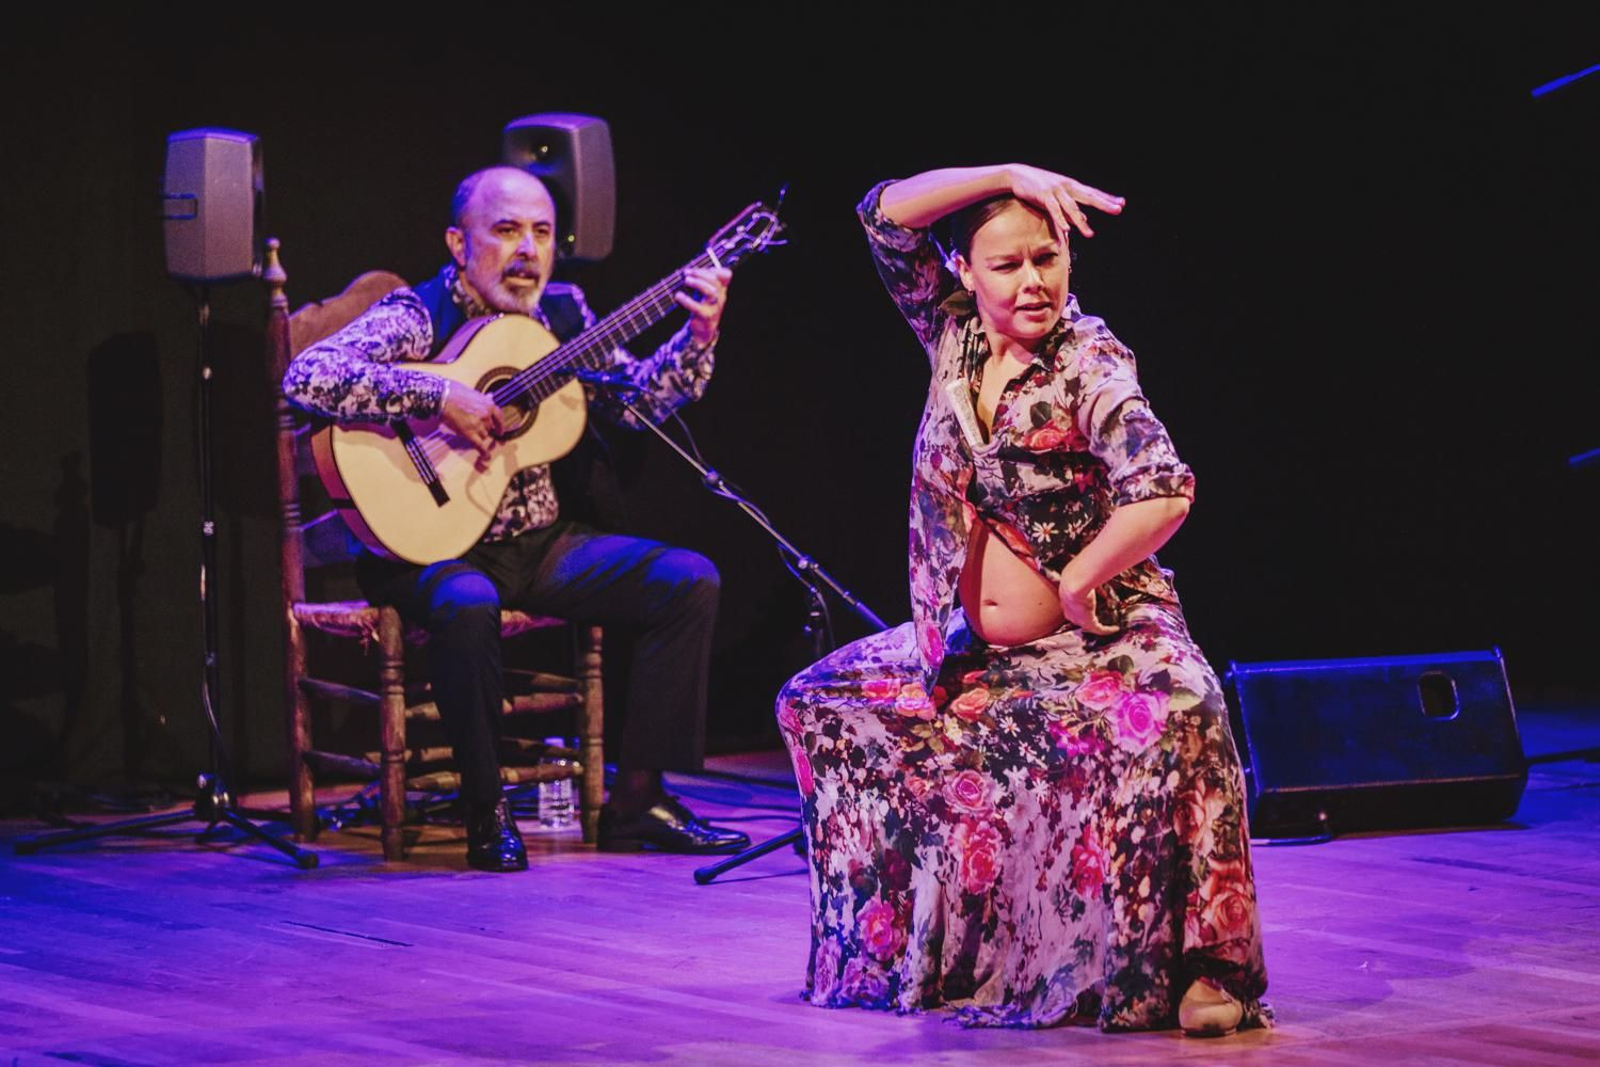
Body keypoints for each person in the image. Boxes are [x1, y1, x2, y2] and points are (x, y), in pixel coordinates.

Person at [775, 164, 1269, 1034]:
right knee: (820, 701)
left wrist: (1079, 579)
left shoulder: (1090, 359)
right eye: (1007, 264)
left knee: (1190, 705)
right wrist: (1005, 171)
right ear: (965, 272)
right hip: (968, 646)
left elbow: (1164, 487)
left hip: (1100, 636)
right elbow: (882, 216)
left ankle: (1213, 970)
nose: (1033, 280)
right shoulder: (952, 332)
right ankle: (910, 951)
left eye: (1048, 258)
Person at [284, 166, 750, 871]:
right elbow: (307, 376)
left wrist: (698, 336)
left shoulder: (562, 316)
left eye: (541, 233)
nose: (527, 250)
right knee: (468, 603)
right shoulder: (419, 314)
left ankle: (640, 799)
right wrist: (437, 392)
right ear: (458, 244)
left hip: (540, 546)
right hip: (429, 550)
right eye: (505, 231)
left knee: (688, 580)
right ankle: (485, 808)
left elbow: (635, 406)